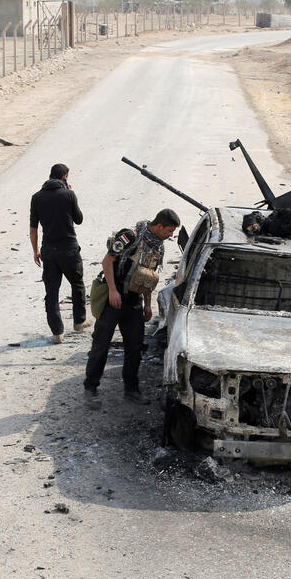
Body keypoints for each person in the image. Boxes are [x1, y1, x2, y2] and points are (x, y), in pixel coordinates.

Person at [84, 209, 180, 408]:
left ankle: (131, 390)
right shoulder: (130, 236)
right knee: (101, 344)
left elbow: (148, 275)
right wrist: (112, 290)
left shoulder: (158, 246)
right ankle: (91, 388)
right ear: (159, 225)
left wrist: (147, 304)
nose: (171, 235)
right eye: (169, 231)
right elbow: (107, 261)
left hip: (134, 299)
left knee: (135, 347)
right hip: (114, 294)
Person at [29, 163, 86, 344]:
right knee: (77, 285)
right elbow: (79, 219)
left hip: (49, 251)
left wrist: (35, 250)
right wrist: (71, 194)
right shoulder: (68, 194)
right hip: (69, 249)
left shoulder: (36, 197)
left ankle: (57, 333)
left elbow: (33, 228)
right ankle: (78, 322)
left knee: (51, 292)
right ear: (64, 177)